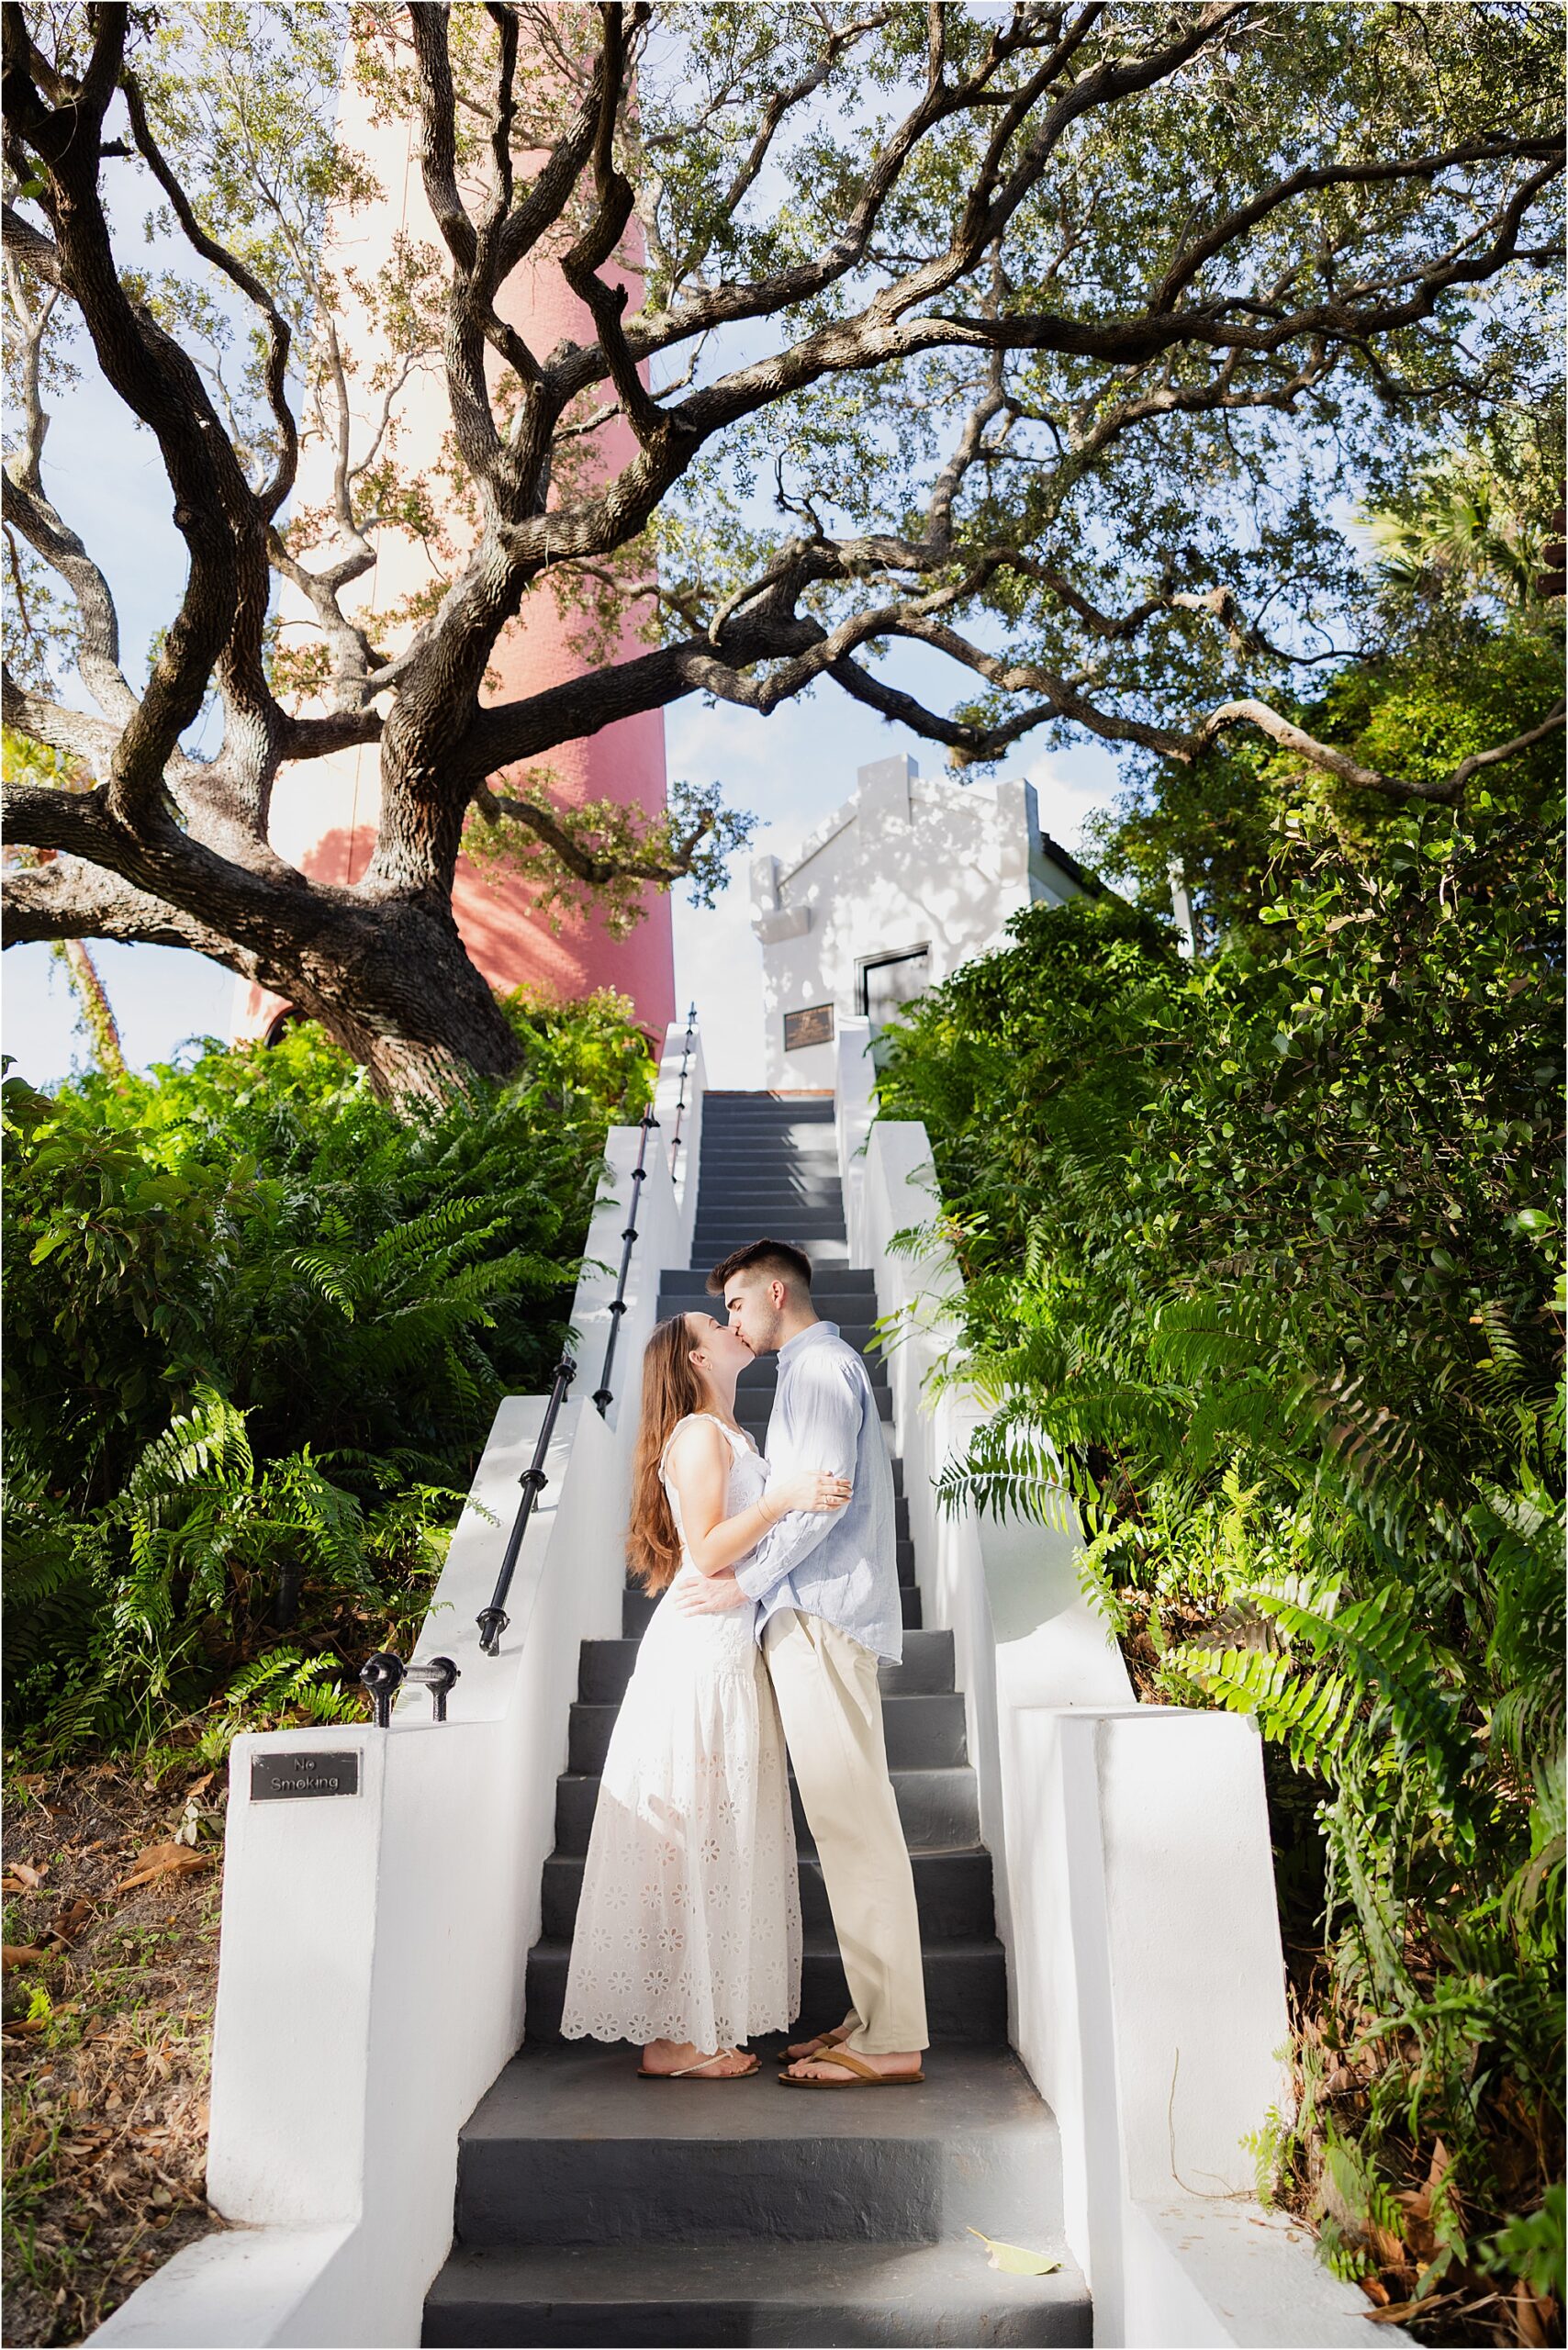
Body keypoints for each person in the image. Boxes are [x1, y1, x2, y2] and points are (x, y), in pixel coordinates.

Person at [559, 1310, 850, 2079]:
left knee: (713, 1831)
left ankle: (690, 2028)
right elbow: (708, 1548)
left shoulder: (730, 1434)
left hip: (726, 1646)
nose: (732, 1326)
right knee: (689, 1832)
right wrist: (785, 1498)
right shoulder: (696, 1435)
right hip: (698, 1652)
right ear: (696, 1357)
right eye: (716, 1324)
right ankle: (675, 2040)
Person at [678, 1238, 929, 2088]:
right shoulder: (811, 1370)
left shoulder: (818, 1371)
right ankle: (872, 2014)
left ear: (775, 1293)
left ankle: (892, 2038)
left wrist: (741, 1582)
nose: (734, 1321)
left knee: (854, 1826)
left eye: (737, 1304)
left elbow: (820, 1503)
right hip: (815, 1614)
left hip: (821, 1615)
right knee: (845, 1823)